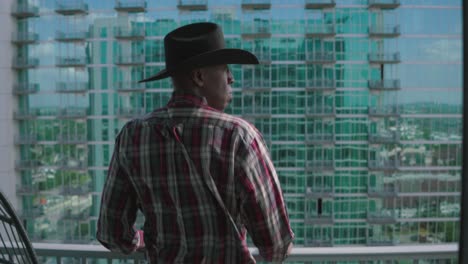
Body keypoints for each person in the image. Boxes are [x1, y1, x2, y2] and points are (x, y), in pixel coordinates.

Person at [96, 22, 294, 263]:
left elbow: (112, 234)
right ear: (199, 76)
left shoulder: (132, 136)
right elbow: (276, 245)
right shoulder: (238, 137)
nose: (231, 78)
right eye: (225, 70)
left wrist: (144, 240)